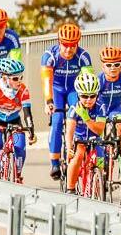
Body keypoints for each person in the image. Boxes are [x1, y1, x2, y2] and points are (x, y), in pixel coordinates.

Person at [40, 23, 94, 180]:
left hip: (73, 90)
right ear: (59, 42)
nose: (69, 49)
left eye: (73, 45)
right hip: (56, 90)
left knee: (80, 117)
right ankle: (55, 163)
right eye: (65, 45)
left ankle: (81, 151)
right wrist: (48, 101)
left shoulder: (83, 56)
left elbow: (88, 80)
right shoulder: (50, 56)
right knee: (57, 120)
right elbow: (47, 81)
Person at [0, 57, 36, 180]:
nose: (19, 81)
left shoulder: (23, 90)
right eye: (16, 78)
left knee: (20, 147)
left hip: (14, 120)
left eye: (21, 77)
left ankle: (17, 176)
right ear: (4, 78)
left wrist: (31, 130)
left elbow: (27, 113)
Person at [64, 71, 109, 193]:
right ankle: (70, 188)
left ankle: (98, 184)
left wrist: (86, 118)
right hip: (79, 138)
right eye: (84, 96)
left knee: (101, 160)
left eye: (92, 96)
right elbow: (70, 132)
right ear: (78, 95)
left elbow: (99, 130)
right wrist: (69, 149)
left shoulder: (101, 106)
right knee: (78, 155)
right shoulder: (74, 109)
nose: (88, 100)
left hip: (95, 137)